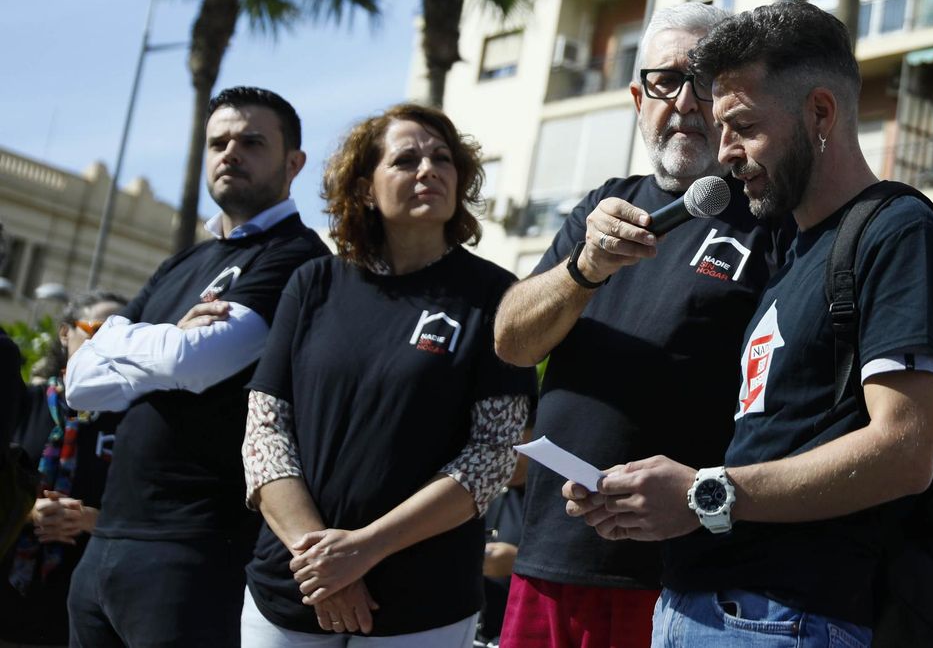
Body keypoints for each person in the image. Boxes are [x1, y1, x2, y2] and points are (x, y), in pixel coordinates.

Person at [564, 1, 933, 647]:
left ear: (820, 114)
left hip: (788, 618)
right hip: (701, 604)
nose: (725, 152)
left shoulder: (899, 233)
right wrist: (644, 498)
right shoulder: (797, 248)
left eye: (744, 127)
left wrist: (701, 494)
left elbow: (903, 450)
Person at [493, 2, 786, 648]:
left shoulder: (771, 223)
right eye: (665, 81)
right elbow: (512, 341)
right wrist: (583, 268)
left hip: (683, 580)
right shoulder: (604, 205)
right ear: (637, 97)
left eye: (704, 81)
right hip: (551, 560)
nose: (684, 101)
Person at [241, 104, 534, 646]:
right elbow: (264, 435)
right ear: (365, 189)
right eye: (405, 160)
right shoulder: (312, 284)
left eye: (442, 158)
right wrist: (323, 563)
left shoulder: (497, 296)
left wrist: (364, 549)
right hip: (293, 590)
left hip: (424, 605)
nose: (429, 170)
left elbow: (493, 455)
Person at [65, 86, 329, 648]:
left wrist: (119, 341)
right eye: (218, 142)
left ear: (293, 163)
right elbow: (80, 384)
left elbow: (198, 361)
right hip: (106, 546)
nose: (230, 153)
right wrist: (165, 342)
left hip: (196, 549)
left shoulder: (297, 258)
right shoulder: (183, 262)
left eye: (252, 142)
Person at [2, 292, 127, 647]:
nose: (109, 344)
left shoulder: (135, 423)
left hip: (76, 613)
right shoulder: (21, 402)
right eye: (97, 330)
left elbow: (150, 512)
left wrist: (90, 520)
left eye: (123, 334)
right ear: (64, 333)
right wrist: (27, 511)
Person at [477, 426, 533, 648]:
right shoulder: (486, 491)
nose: (509, 458)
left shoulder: (554, 501)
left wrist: (518, 563)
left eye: (517, 447)